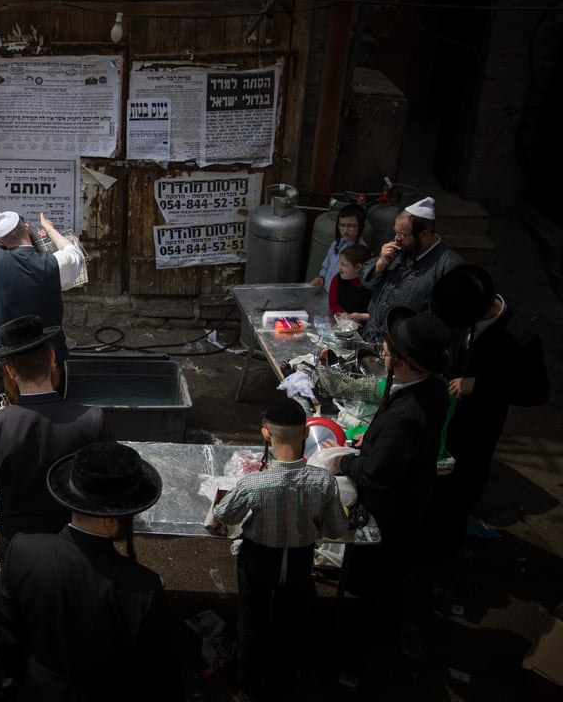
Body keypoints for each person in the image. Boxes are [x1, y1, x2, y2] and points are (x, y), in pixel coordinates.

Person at [0, 441, 183, 701]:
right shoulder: (143, 587)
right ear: (111, 520)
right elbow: (156, 673)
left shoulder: (22, 551)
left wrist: (24, 674)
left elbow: (9, 635)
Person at [213, 397, 349, 702]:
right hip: (300, 561)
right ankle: (287, 680)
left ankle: (248, 685)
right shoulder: (325, 482)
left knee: (251, 620)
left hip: (259, 560)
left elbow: (225, 516)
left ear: (265, 434)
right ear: (306, 433)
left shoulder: (254, 483)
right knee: (293, 620)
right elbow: (336, 530)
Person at [333, 307, 451, 637]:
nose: (382, 350)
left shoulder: (407, 415)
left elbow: (375, 473)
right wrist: (369, 442)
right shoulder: (432, 388)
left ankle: (371, 628)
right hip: (411, 488)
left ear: (401, 360)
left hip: (391, 506)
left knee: (379, 569)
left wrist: (342, 461)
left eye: (386, 349)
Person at [428, 265, 550, 556]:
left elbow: (536, 393)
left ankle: (447, 547)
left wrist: (479, 385)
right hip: (447, 416)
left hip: (478, 428)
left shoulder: (520, 337)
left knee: (461, 488)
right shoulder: (463, 310)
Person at [0, 315, 111, 557]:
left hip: (19, 545)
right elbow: (109, 482)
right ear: (52, 359)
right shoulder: (93, 421)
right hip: (77, 544)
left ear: (10, 371)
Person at [0, 211, 84, 393]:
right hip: (49, 357)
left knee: (9, 412)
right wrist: (49, 229)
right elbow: (74, 253)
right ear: (27, 228)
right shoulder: (54, 263)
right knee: (54, 412)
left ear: (0, 242)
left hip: (9, 358)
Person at [359, 197, 463, 342]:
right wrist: (381, 263)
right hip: (372, 337)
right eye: (395, 232)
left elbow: (442, 320)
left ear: (424, 234)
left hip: (403, 348)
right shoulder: (398, 250)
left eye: (402, 235)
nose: (396, 239)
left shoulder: (447, 266)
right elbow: (365, 281)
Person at [311, 203, 367, 288]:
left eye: (350, 226)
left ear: (361, 226)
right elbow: (326, 266)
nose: (345, 230)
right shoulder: (336, 244)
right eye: (342, 225)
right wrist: (322, 278)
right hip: (326, 293)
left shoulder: (362, 252)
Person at [328, 244, 374, 322]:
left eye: (344, 265)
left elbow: (378, 314)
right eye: (340, 263)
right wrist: (347, 318)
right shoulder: (337, 279)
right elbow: (334, 305)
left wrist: (362, 317)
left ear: (358, 267)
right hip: (342, 322)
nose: (339, 268)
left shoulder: (372, 286)